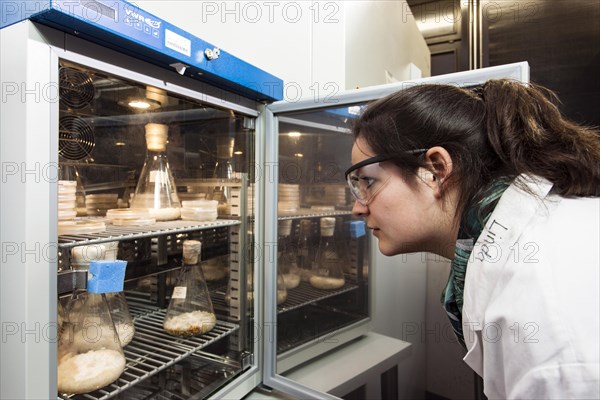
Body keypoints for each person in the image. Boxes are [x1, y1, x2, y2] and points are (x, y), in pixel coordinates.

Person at [345, 79, 600, 399]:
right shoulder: (529, 237)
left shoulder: (540, 312)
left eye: (367, 182)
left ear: (435, 170)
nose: (357, 208)